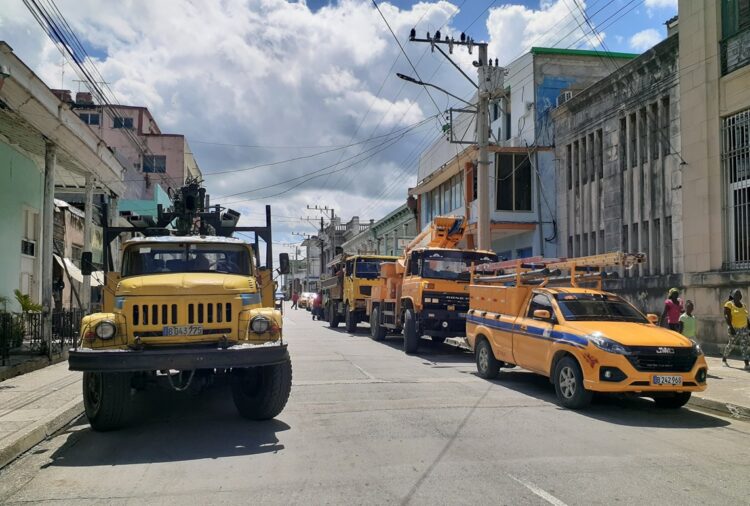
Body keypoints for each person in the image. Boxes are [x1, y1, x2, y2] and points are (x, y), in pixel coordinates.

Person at [722, 289, 750, 368]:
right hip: (734, 328)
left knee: (744, 345)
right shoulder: (729, 304)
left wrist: (749, 328)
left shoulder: (743, 305)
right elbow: (726, 316)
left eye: (739, 294)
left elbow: (746, 317)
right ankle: (724, 359)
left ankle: (746, 363)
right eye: (736, 294)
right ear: (733, 296)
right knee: (731, 345)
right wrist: (730, 327)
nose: (738, 296)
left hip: (744, 329)